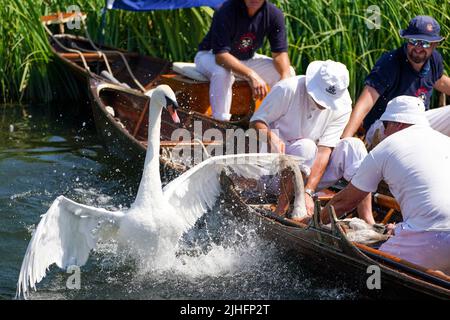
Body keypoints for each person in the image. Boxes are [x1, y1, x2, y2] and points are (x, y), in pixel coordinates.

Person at [323, 96, 450, 275]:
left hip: (431, 237)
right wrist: (401, 229)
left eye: (385, 126)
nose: (384, 133)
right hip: (435, 236)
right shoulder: (445, 141)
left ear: (397, 124)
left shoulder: (387, 146)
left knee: (367, 271)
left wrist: (312, 222)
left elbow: (345, 202)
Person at [249, 60, 371, 222]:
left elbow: (324, 150)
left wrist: (308, 191)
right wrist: (272, 137)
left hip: (309, 172)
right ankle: (280, 211)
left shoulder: (343, 105)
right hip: (272, 172)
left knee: (354, 146)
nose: (322, 104)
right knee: (306, 147)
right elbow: (256, 121)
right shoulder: (288, 88)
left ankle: (368, 221)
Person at [341, 15, 450, 146]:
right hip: (384, 126)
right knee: (410, 126)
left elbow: (440, 82)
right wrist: (344, 141)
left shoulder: (434, 60)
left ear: (435, 45)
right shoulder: (390, 63)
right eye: (414, 41)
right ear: (406, 40)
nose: (419, 47)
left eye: (425, 43)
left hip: (418, 122)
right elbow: (366, 101)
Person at [195, 0, 295, 121]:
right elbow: (221, 56)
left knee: (288, 72)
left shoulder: (274, 14)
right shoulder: (225, 10)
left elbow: (279, 53)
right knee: (222, 73)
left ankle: (274, 121)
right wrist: (251, 75)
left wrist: (285, 78)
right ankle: (220, 121)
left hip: (247, 58)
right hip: (210, 56)